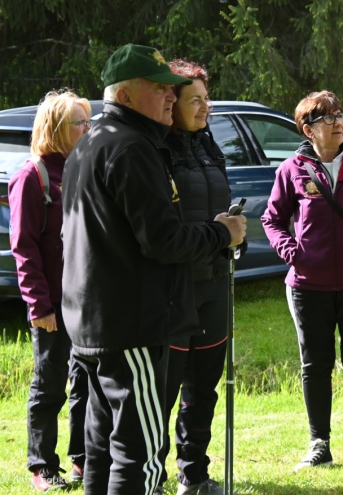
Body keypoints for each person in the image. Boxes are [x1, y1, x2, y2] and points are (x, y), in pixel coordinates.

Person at [61, 44, 246, 495]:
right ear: (124, 96)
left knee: (102, 448)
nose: (170, 96)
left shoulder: (92, 142)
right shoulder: (131, 147)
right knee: (141, 457)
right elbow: (163, 240)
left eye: (172, 88)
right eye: (159, 88)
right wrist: (223, 233)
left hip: (94, 325)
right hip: (133, 328)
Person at [262, 90, 343, 474]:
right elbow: (272, 219)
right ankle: (319, 444)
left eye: (340, 115)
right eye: (327, 118)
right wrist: (293, 252)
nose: (338, 122)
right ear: (308, 129)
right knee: (314, 365)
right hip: (307, 285)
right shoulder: (292, 170)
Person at [157, 59, 241, 495]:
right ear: (171, 103)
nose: (205, 107)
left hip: (213, 285)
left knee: (202, 392)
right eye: (195, 100)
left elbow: (218, 215)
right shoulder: (159, 149)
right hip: (174, 289)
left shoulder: (210, 146)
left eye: (207, 99)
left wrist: (234, 238)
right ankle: (153, 476)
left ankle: (194, 474)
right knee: (163, 392)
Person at [9, 89, 91, 492]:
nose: (88, 129)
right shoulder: (33, 175)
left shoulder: (83, 169)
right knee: (49, 384)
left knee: (87, 382)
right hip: (53, 305)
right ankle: (43, 466)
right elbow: (22, 247)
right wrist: (38, 305)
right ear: (58, 128)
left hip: (87, 301)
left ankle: (82, 461)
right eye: (81, 122)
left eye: (89, 121)